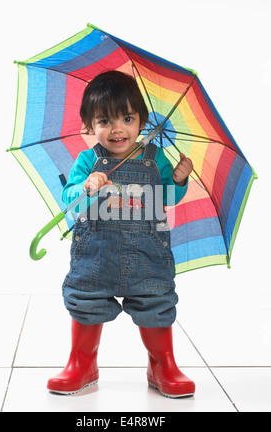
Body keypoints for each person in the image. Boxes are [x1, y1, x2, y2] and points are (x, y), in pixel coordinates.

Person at [47, 71, 195, 398]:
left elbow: (166, 198)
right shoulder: (88, 160)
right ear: (89, 126)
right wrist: (86, 186)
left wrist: (179, 181)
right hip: (96, 256)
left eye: (127, 118)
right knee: (85, 301)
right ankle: (82, 363)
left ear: (141, 121)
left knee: (156, 302)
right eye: (105, 121)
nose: (117, 129)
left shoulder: (156, 159)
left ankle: (162, 363)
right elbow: (70, 199)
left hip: (148, 255)